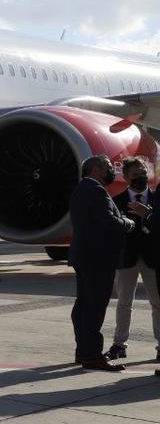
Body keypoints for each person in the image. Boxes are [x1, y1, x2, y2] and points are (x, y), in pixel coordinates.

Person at [68, 155, 134, 371]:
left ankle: (83, 351)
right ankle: (93, 355)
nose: (110, 171)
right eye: (107, 167)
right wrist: (127, 222)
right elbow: (107, 221)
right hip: (97, 258)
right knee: (94, 307)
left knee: (84, 305)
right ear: (96, 169)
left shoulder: (81, 189)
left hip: (84, 256)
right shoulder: (95, 190)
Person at [108, 157, 160, 361]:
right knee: (123, 303)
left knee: (157, 303)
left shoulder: (157, 198)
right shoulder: (117, 200)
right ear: (127, 177)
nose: (141, 176)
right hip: (126, 258)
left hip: (152, 258)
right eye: (136, 174)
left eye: (144, 172)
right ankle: (119, 344)